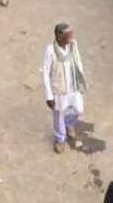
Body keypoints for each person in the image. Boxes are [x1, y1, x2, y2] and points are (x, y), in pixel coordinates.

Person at [43, 22, 87, 154]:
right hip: (59, 90)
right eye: (68, 36)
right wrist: (49, 96)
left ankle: (68, 124)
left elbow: (78, 61)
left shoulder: (73, 45)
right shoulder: (50, 51)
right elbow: (45, 74)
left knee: (78, 109)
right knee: (58, 114)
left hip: (73, 87)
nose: (71, 38)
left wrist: (81, 79)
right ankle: (60, 139)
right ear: (59, 37)